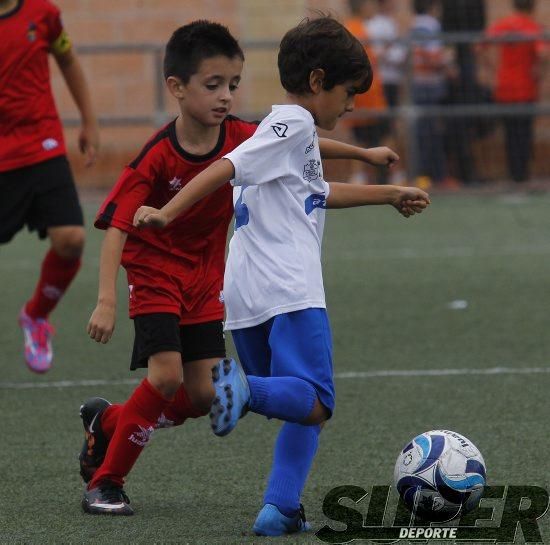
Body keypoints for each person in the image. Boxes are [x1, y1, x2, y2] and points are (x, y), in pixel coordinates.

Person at [79, 19, 391, 517]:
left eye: (232, 85)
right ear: (177, 88)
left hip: (212, 281)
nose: (225, 96)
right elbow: (120, 222)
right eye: (212, 85)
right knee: (167, 379)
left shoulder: (246, 133)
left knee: (202, 396)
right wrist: (107, 296)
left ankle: (113, 424)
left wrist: (365, 157)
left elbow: (302, 151)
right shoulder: (159, 157)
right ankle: (107, 481)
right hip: (165, 273)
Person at [0, 0, 99, 373]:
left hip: (42, 146)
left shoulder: (43, 13)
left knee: (71, 239)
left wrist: (90, 121)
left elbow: (68, 60)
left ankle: (36, 316)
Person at [481, 0, 548, 183]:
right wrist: (539, 72)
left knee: (510, 134)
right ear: (533, 6)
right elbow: (543, 54)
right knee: (524, 133)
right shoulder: (533, 27)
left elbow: (481, 45)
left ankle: (514, 174)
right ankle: (522, 175)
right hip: (525, 89)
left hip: (504, 87)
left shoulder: (503, 24)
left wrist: (493, 69)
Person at [410, 0, 454, 188]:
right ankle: (435, 176)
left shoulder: (415, 24)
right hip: (430, 84)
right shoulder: (430, 25)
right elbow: (432, 55)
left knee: (423, 131)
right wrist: (448, 62)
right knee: (432, 131)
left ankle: (424, 176)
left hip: (419, 83)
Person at [345, 0, 390, 184]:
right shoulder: (356, 30)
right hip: (368, 95)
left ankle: (361, 176)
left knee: (362, 137)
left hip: (363, 94)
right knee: (382, 135)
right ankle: (384, 174)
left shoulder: (354, 28)